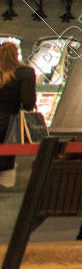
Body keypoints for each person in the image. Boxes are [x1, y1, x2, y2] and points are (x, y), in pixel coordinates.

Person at [0, 41, 36, 190]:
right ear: (17, 54)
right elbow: (28, 103)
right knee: (4, 162)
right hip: (9, 126)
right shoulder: (25, 72)